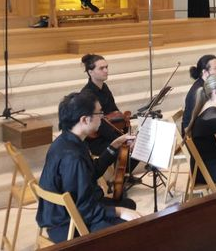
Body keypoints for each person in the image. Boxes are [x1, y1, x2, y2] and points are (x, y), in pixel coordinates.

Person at [36, 91, 140, 243]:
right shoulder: (73, 157)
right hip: (70, 224)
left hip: (72, 213)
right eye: (99, 113)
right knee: (132, 229)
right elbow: (86, 209)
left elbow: (91, 172)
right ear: (84, 119)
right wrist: (119, 211)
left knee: (128, 204)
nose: (103, 117)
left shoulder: (66, 140)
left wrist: (113, 146)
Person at [80, 54, 122, 156]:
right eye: (101, 68)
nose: (106, 71)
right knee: (125, 149)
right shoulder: (87, 94)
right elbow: (98, 125)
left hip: (109, 132)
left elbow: (114, 110)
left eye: (106, 67)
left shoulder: (104, 87)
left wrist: (123, 131)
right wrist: (119, 139)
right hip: (97, 140)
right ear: (90, 72)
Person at [181, 54, 216, 134]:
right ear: (205, 72)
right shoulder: (199, 91)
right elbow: (205, 120)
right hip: (195, 134)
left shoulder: (207, 84)